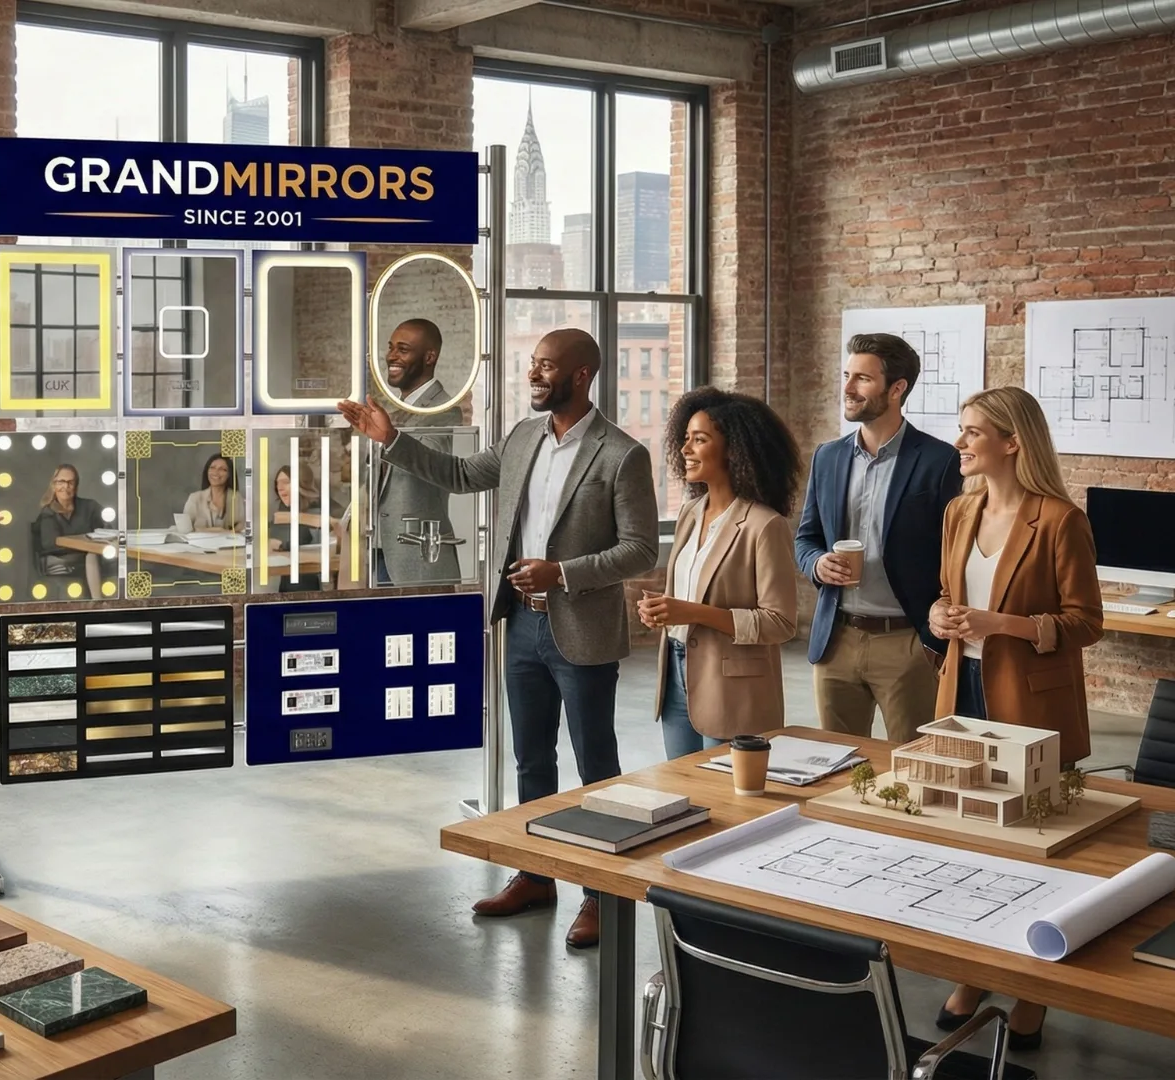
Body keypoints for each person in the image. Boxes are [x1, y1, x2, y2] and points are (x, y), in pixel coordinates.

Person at [339, 327, 657, 947]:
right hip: (521, 626)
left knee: (596, 766)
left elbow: (640, 549)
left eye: (546, 367)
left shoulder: (622, 454)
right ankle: (535, 876)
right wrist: (390, 438)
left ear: (582, 374)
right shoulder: (521, 438)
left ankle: (600, 894)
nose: (534, 376)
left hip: (582, 629)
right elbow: (458, 474)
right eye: (533, 366)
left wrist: (561, 573)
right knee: (531, 761)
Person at [929, 386, 1102, 1049]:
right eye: (961, 430)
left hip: (1031, 699)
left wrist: (1007, 624)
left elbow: (1087, 622)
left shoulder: (1059, 520)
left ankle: (1033, 992)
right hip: (961, 689)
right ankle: (976, 972)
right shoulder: (957, 512)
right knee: (970, 846)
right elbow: (949, 598)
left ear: (1011, 442)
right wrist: (940, 617)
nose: (961, 442)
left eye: (974, 432)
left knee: (1033, 857)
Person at [795, 333, 963, 742]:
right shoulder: (827, 456)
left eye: (862, 379)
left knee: (916, 770)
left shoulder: (940, 461)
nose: (848, 389)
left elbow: (955, 555)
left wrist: (932, 639)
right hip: (836, 640)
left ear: (897, 388)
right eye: (847, 376)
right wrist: (817, 563)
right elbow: (806, 538)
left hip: (907, 642)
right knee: (836, 767)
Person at [639, 388, 801, 758]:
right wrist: (661, 612)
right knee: (682, 796)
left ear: (734, 449)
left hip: (734, 690)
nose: (686, 450)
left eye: (700, 440)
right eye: (685, 439)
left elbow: (780, 622)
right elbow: (682, 599)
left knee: (729, 803)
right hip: (676, 677)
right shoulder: (690, 514)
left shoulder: (764, 525)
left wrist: (693, 612)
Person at [373, 319, 463, 585]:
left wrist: (389, 438)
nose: (391, 356)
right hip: (381, 551)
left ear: (429, 357)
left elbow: (433, 465)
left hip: (421, 556)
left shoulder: (444, 409)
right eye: (390, 348)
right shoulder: (396, 409)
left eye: (403, 349)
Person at [31, 463, 105, 598]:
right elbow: (50, 544)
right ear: (54, 485)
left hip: (90, 555)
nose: (66, 486)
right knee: (91, 555)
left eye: (71, 482)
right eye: (61, 482)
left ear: (76, 486)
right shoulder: (48, 513)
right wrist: (83, 546)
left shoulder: (90, 507)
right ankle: (98, 605)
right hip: (58, 559)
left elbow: (106, 530)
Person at [270, 465, 325, 593]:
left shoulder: (316, 509)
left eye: (286, 482)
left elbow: (305, 540)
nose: (280, 487)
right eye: (277, 483)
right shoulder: (284, 508)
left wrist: (280, 545)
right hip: (287, 579)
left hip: (310, 581)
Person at [181, 453, 240, 531]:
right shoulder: (194, 498)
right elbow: (184, 530)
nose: (216, 472)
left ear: (229, 474)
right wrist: (219, 530)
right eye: (212, 468)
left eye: (222, 469)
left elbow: (241, 530)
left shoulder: (236, 498)